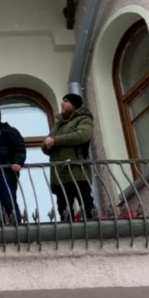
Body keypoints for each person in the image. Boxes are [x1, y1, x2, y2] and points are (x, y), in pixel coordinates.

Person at [42, 93, 97, 221]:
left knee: (85, 202)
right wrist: (46, 145)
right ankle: (68, 228)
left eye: (66, 101)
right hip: (60, 173)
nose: (62, 104)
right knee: (64, 208)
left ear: (74, 104)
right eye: (62, 101)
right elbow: (48, 142)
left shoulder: (83, 119)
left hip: (77, 169)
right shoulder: (58, 124)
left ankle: (91, 225)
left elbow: (82, 136)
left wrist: (55, 140)